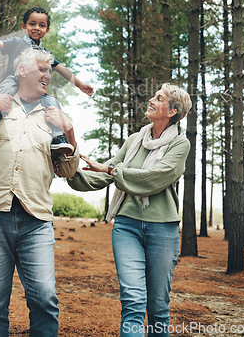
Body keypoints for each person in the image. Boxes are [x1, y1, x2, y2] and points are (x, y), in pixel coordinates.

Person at [0, 48, 79, 337]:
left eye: (50, 71)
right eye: (42, 69)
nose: (48, 75)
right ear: (23, 71)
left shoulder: (55, 115)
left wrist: (69, 131)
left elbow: (70, 171)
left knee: (45, 298)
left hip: (36, 220)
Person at [68, 83, 192, 337]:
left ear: (172, 111)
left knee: (158, 307)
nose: (151, 99)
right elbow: (106, 175)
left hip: (163, 229)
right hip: (126, 227)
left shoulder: (180, 144)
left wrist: (112, 170)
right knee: (133, 301)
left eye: (159, 98)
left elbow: (154, 178)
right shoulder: (134, 140)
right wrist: (71, 173)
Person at [0, 6, 94, 155]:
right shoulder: (17, 43)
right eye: (32, 24)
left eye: (42, 25)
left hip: (34, 88)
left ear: (47, 30)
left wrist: (80, 84)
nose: (36, 28)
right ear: (24, 26)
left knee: (53, 103)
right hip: (14, 80)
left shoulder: (46, 53)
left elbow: (63, 70)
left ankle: (58, 138)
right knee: (6, 90)